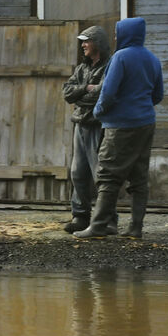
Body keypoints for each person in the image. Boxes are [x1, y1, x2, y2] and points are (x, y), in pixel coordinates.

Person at [74, 16, 163, 240]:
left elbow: (109, 92)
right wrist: (140, 108)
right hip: (146, 124)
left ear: (125, 34)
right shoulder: (153, 59)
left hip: (120, 126)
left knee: (107, 175)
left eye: (117, 34)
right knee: (139, 177)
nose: (114, 38)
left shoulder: (120, 57)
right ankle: (135, 228)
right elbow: (158, 95)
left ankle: (99, 227)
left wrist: (99, 112)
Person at [60, 25, 114, 234]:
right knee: (77, 173)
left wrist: (81, 95)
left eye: (86, 41)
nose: (83, 45)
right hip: (80, 124)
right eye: (82, 41)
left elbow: (101, 95)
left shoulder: (109, 66)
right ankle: (80, 216)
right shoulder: (83, 68)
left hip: (97, 125)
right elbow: (66, 92)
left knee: (99, 173)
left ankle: (107, 220)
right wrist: (85, 88)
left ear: (97, 43)